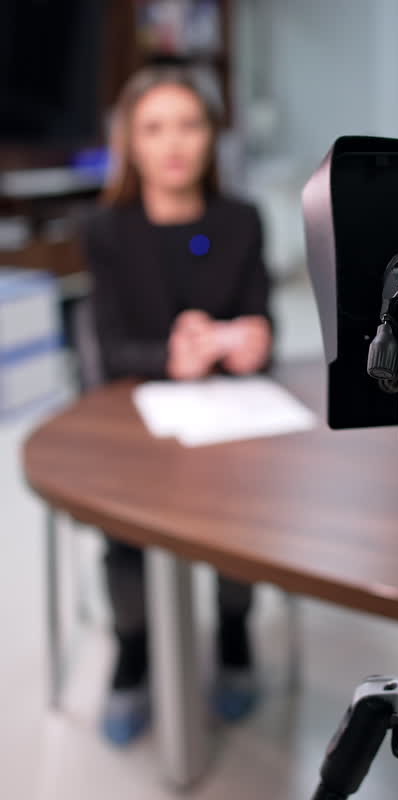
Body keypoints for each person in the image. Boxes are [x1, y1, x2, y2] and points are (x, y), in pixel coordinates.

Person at [84, 66, 273, 747]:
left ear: (212, 137)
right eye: (153, 127)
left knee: (242, 505)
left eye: (189, 124)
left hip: (226, 416)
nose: (174, 143)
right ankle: (131, 646)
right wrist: (172, 356)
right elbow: (109, 349)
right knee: (123, 525)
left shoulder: (241, 219)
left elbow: (259, 320)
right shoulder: (106, 229)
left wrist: (254, 341)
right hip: (137, 417)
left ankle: (232, 630)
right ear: (129, 145)